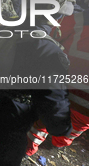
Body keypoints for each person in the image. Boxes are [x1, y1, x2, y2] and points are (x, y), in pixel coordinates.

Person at [0, 0, 74, 166]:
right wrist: (63, 128)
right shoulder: (47, 50)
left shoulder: (8, 25)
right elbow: (52, 102)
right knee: (7, 157)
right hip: (12, 113)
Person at [26, 8, 89, 157]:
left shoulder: (81, 18)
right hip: (86, 106)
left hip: (66, 84)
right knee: (75, 127)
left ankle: (29, 145)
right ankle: (57, 142)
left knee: (46, 116)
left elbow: (55, 35)